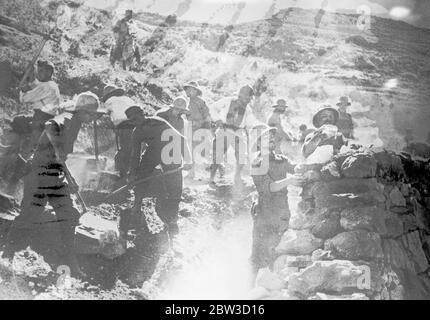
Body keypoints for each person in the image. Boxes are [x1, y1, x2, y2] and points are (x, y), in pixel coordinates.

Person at [2, 92, 103, 277]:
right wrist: (56, 148)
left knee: (70, 215)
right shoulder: (69, 118)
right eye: (91, 114)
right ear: (83, 111)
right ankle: (7, 256)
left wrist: (70, 179)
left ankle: (71, 263)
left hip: (54, 175)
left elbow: (60, 158)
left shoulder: (77, 123)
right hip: (39, 174)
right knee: (29, 215)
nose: (92, 118)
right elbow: (50, 125)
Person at [127, 106, 191, 248]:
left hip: (170, 149)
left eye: (137, 118)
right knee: (140, 176)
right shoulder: (136, 132)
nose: (136, 122)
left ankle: (172, 219)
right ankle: (136, 209)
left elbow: (181, 139)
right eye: (132, 121)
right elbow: (134, 155)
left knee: (174, 185)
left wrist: (188, 160)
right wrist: (132, 174)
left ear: (143, 115)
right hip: (154, 151)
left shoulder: (158, 123)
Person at [250, 126, 305, 279]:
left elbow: (295, 168)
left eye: (273, 137)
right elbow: (270, 187)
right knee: (259, 254)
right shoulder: (257, 163)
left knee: (279, 249)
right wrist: (290, 180)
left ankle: (276, 287)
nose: (272, 139)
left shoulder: (281, 159)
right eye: (267, 138)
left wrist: (306, 166)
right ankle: (251, 290)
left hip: (282, 211)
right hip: (265, 213)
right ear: (259, 144)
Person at [209, 85, 254, 185]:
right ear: (240, 95)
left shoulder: (248, 109)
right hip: (224, 129)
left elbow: (249, 125)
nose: (246, 99)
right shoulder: (227, 100)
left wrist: (247, 135)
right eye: (244, 95)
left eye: (248, 97)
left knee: (242, 156)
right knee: (218, 155)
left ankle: (237, 176)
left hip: (238, 132)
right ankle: (211, 178)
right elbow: (213, 108)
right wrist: (217, 120)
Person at [19, 60, 60, 151]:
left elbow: (25, 99)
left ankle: (24, 156)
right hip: (46, 117)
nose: (38, 73)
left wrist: (23, 89)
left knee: (32, 144)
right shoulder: (50, 84)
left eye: (41, 71)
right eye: (38, 70)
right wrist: (29, 76)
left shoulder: (47, 86)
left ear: (49, 73)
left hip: (42, 119)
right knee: (18, 120)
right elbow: (35, 84)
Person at [183, 81, 212, 179]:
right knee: (192, 151)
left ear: (195, 91)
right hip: (192, 129)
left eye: (190, 89)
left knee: (198, 151)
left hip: (200, 129)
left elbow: (207, 115)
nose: (187, 91)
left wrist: (206, 129)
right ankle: (193, 172)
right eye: (186, 89)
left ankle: (211, 170)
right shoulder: (189, 102)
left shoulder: (199, 101)